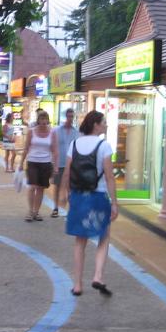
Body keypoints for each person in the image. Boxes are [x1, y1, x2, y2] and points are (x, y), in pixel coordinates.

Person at [59, 110, 118, 297]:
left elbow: (67, 172)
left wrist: (64, 192)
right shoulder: (104, 146)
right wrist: (115, 203)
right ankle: (98, 276)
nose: (106, 125)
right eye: (104, 122)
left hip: (78, 197)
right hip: (98, 197)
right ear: (96, 125)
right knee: (104, 236)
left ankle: (77, 284)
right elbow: (109, 177)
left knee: (80, 241)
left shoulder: (74, 144)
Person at [19, 111, 57, 222]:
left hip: (46, 163)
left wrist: (55, 165)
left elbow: (55, 150)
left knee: (40, 188)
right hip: (32, 161)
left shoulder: (52, 133)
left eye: (45, 121)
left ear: (48, 121)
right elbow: (26, 148)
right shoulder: (32, 132)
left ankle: (36, 212)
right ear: (38, 121)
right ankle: (30, 211)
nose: (43, 123)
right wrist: (21, 163)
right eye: (41, 120)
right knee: (32, 186)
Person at [51, 108, 79, 218]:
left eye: (72, 116)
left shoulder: (76, 132)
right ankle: (55, 208)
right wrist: (54, 164)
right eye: (69, 116)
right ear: (65, 117)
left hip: (72, 164)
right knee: (57, 186)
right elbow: (53, 147)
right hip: (60, 162)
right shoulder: (57, 130)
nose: (70, 119)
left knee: (71, 187)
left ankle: (71, 210)